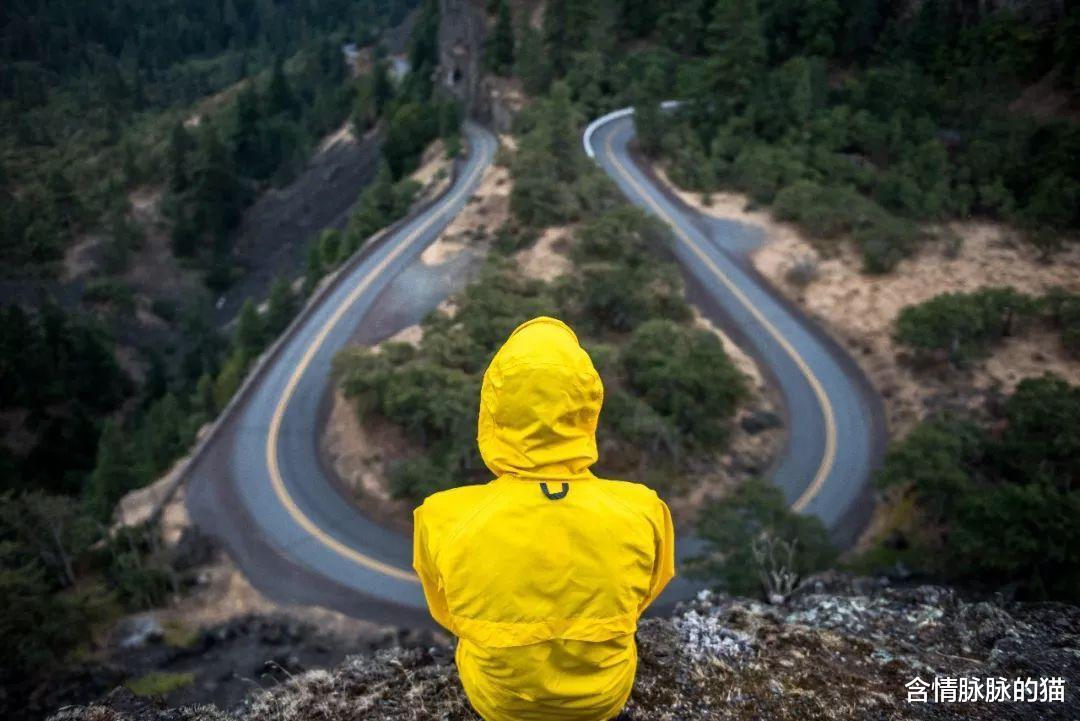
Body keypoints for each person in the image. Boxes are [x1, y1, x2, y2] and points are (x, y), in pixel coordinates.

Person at [413, 316, 675, 721]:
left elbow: (448, 612)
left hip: (499, 703)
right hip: (603, 699)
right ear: (588, 408)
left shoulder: (442, 516)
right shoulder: (643, 509)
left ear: (492, 411)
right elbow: (641, 600)